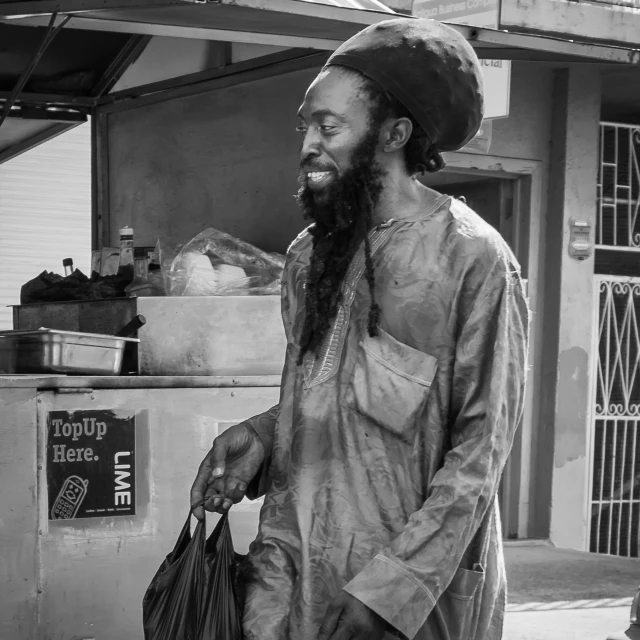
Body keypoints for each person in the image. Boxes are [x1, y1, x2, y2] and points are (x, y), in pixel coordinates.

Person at [191, 17, 529, 640]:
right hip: (288, 577)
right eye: (306, 127)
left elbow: (480, 453)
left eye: (330, 127)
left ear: (394, 134)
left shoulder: (472, 260)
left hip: (405, 602)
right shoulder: (308, 257)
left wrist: (395, 588)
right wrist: (263, 438)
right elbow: (328, 401)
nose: (308, 145)